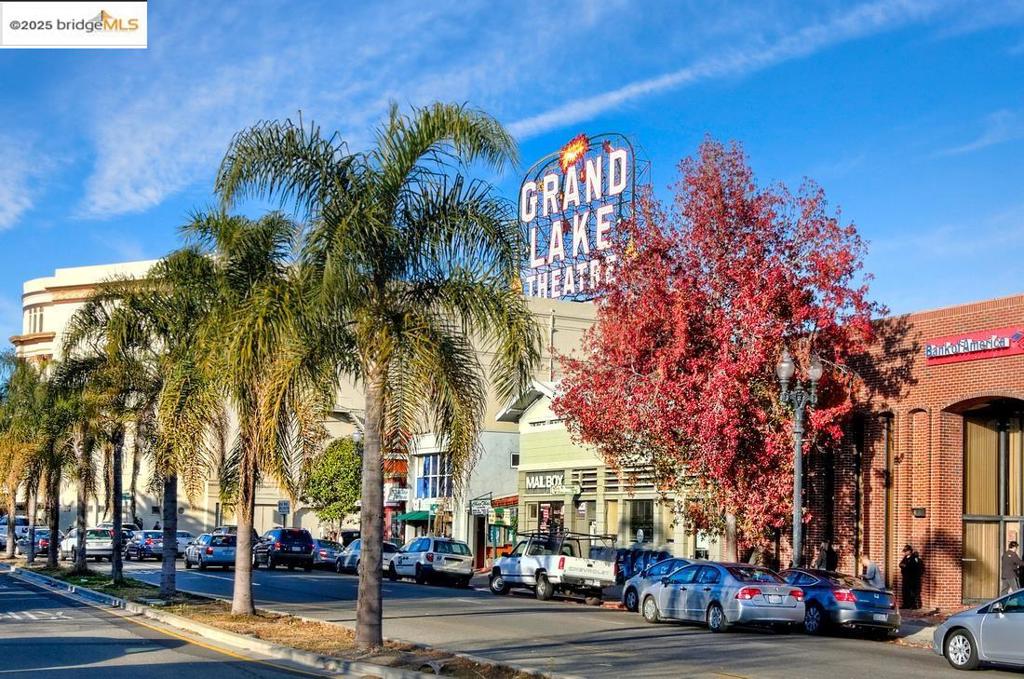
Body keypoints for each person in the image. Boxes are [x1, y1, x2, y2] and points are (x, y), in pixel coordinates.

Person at [899, 544, 925, 609]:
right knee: (905, 591)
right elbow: (900, 564)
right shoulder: (905, 558)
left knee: (913, 592)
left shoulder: (914, 558)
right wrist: (904, 566)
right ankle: (906, 604)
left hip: (912, 578)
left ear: (910, 551)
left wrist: (906, 566)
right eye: (904, 551)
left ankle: (914, 605)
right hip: (906, 578)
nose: (905, 553)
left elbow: (916, 567)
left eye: (906, 551)